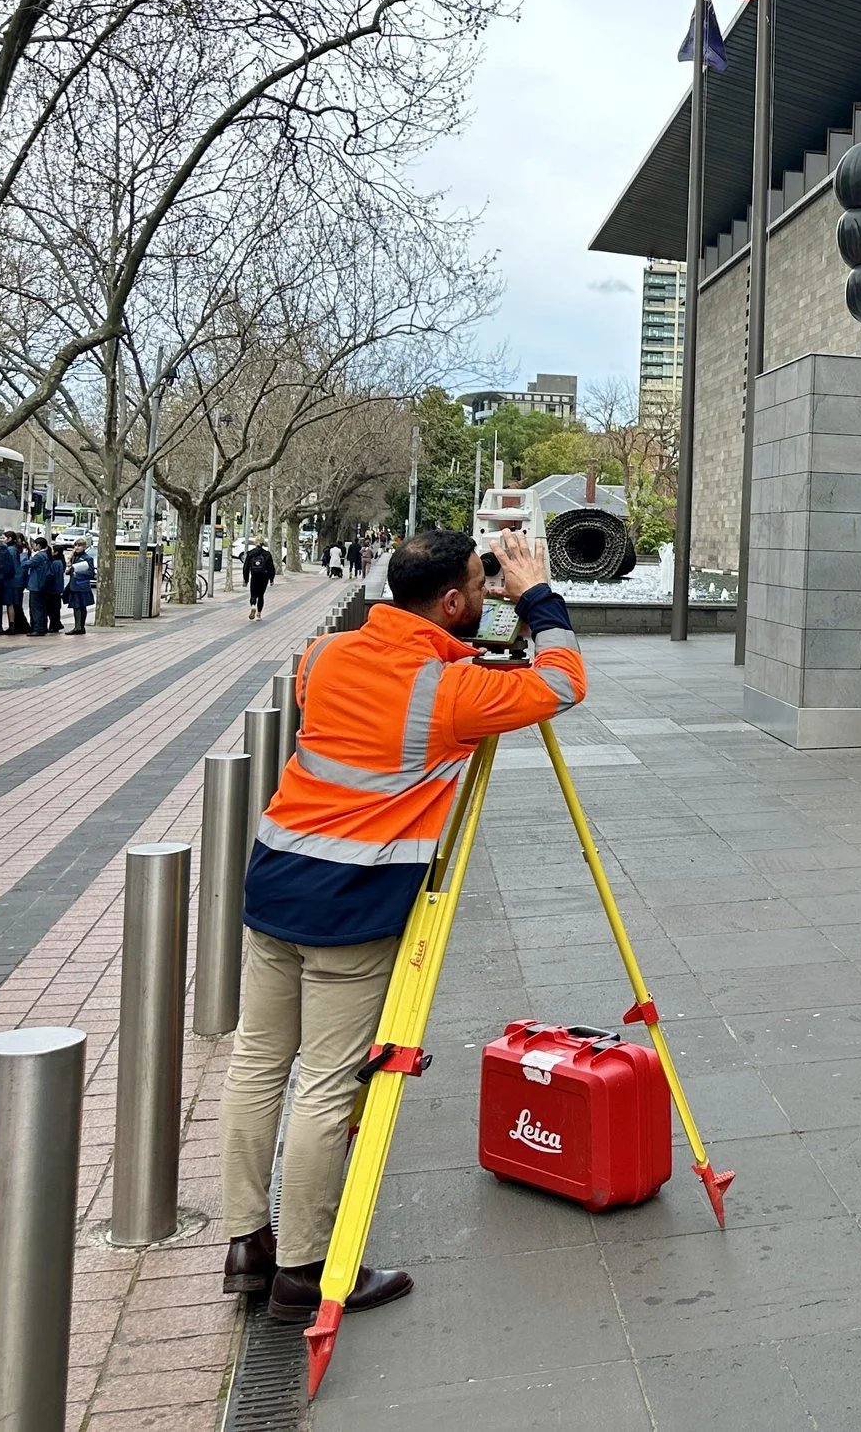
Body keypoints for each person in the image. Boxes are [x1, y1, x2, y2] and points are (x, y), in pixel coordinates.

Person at [220, 526, 586, 1324]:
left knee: (256, 1063)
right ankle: (308, 1271)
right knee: (323, 1082)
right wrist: (536, 596)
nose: (488, 596)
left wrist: (463, 638)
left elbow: (398, 681)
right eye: (478, 588)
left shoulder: (327, 657)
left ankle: (246, 1244)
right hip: (350, 903)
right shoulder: (453, 696)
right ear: (453, 602)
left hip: (274, 876)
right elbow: (562, 683)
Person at [64, 541, 96, 634]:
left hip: (81, 585)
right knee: (76, 606)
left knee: (80, 606)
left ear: (84, 547)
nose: (77, 548)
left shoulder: (87, 558)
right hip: (74, 585)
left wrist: (77, 573)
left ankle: (79, 627)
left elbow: (91, 573)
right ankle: (79, 627)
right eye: (76, 546)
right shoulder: (74, 557)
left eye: (79, 546)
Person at [243, 539, 277, 619]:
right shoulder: (267, 554)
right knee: (261, 595)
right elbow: (271, 567)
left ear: (255, 543)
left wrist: (246, 579)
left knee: (253, 594)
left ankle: (253, 606)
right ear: (263, 544)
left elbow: (246, 567)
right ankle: (258, 614)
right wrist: (271, 579)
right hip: (264, 577)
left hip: (255, 575)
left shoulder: (251, 554)